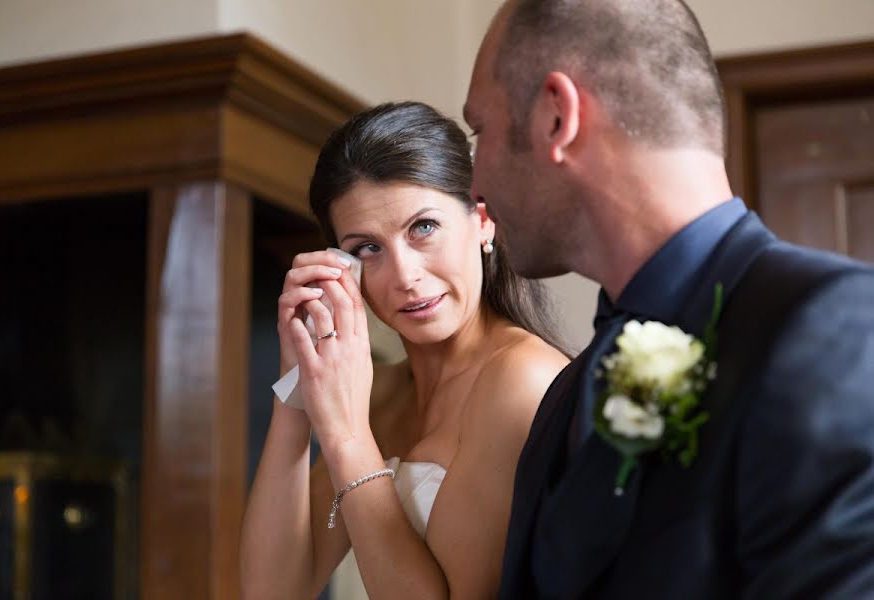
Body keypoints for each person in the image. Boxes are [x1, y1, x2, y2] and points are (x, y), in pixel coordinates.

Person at [464, 0, 874, 598]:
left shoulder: (834, 334)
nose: (475, 185)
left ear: (556, 116)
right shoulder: (563, 398)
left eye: (480, 132)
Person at [239, 101, 570, 600]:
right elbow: (272, 591)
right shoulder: (378, 393)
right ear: (341, 270)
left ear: (482, 221)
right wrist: (296, 393)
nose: (405, 276)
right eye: (367, 249)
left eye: (424, 228)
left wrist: (348, 437)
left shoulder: (521, 379)